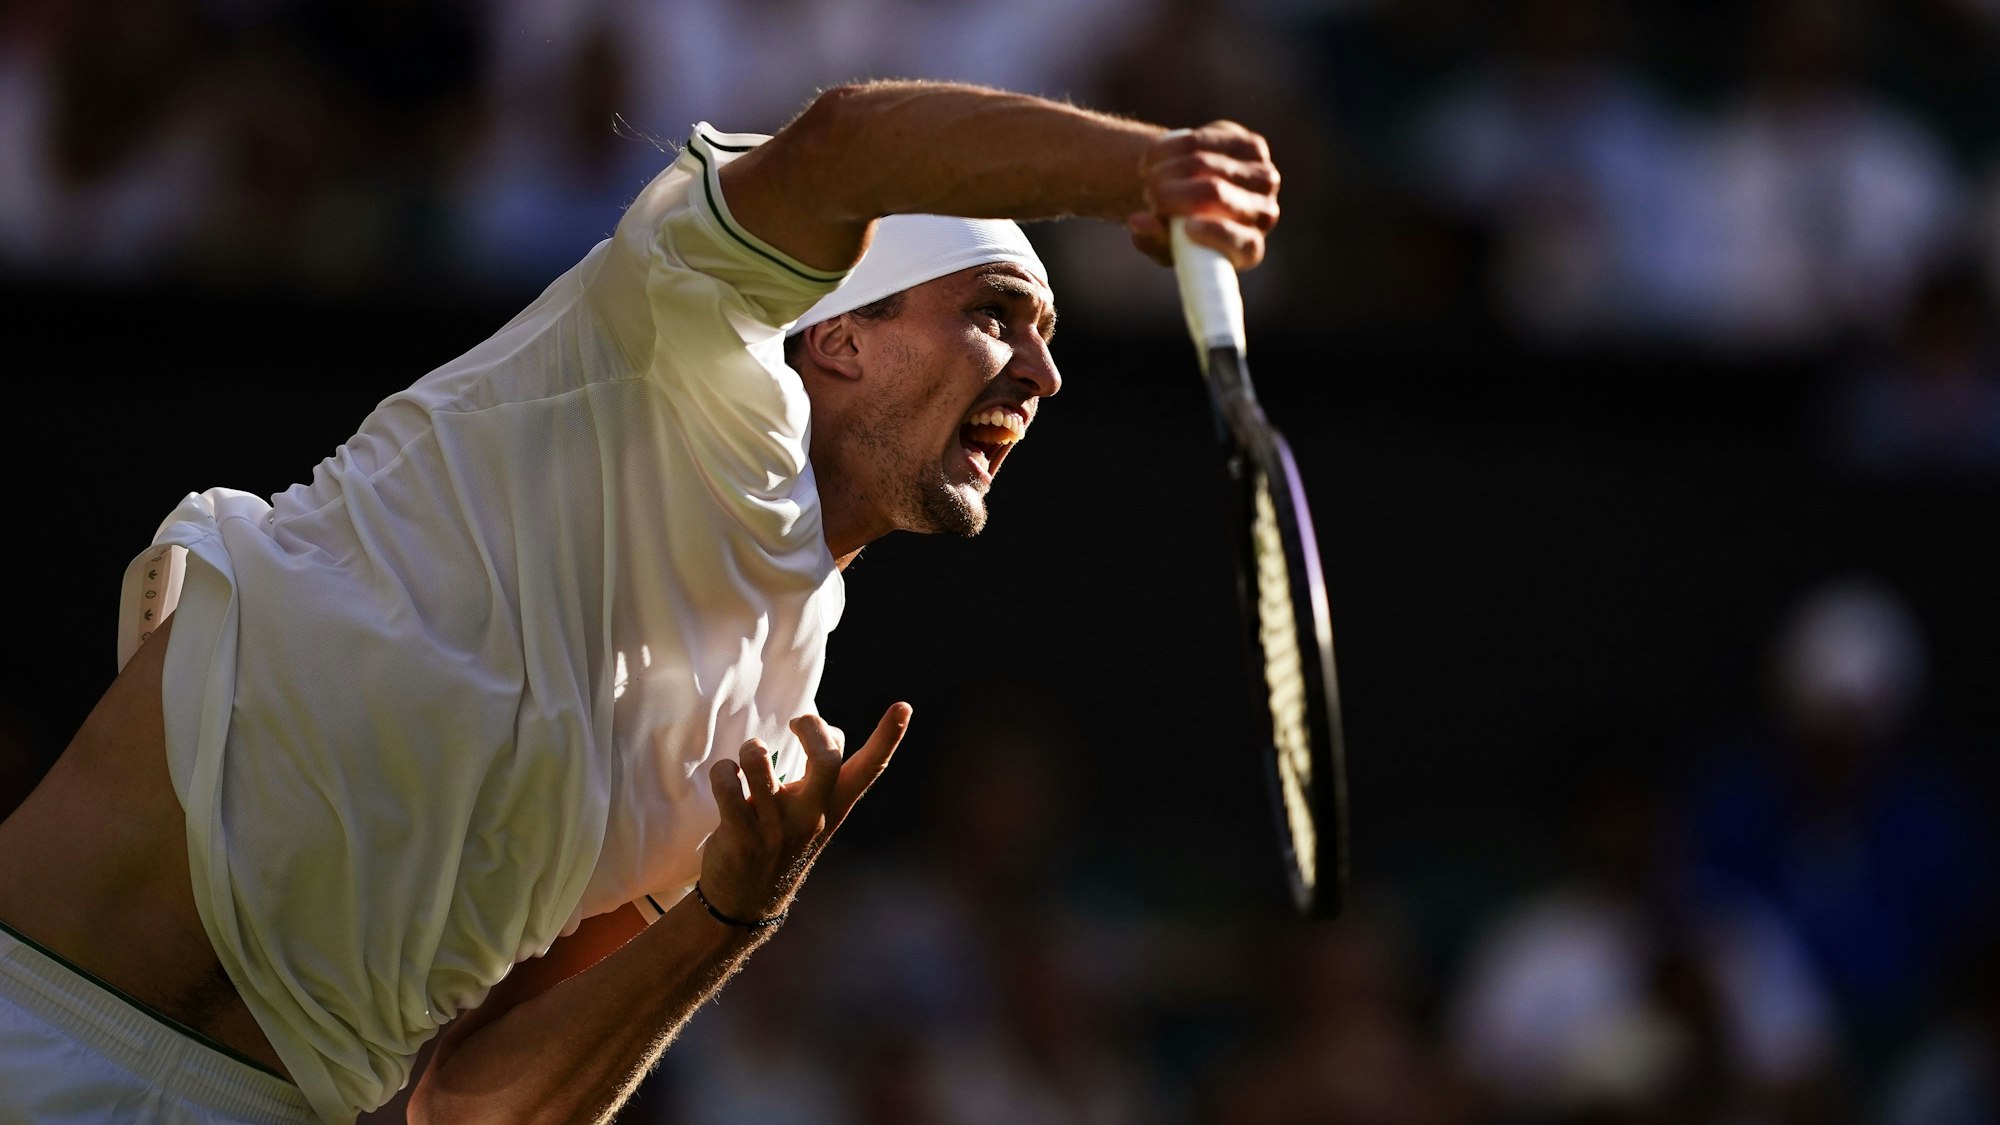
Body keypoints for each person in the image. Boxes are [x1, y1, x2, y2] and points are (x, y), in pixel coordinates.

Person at [0, 79, 1281, 1123]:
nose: (1046, 378)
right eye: (999, 315)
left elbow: (478, 1109)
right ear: (834, 333)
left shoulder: (773, 729)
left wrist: (734, 911)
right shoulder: (666, 337)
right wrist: (1136, 169)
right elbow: (841, 140)